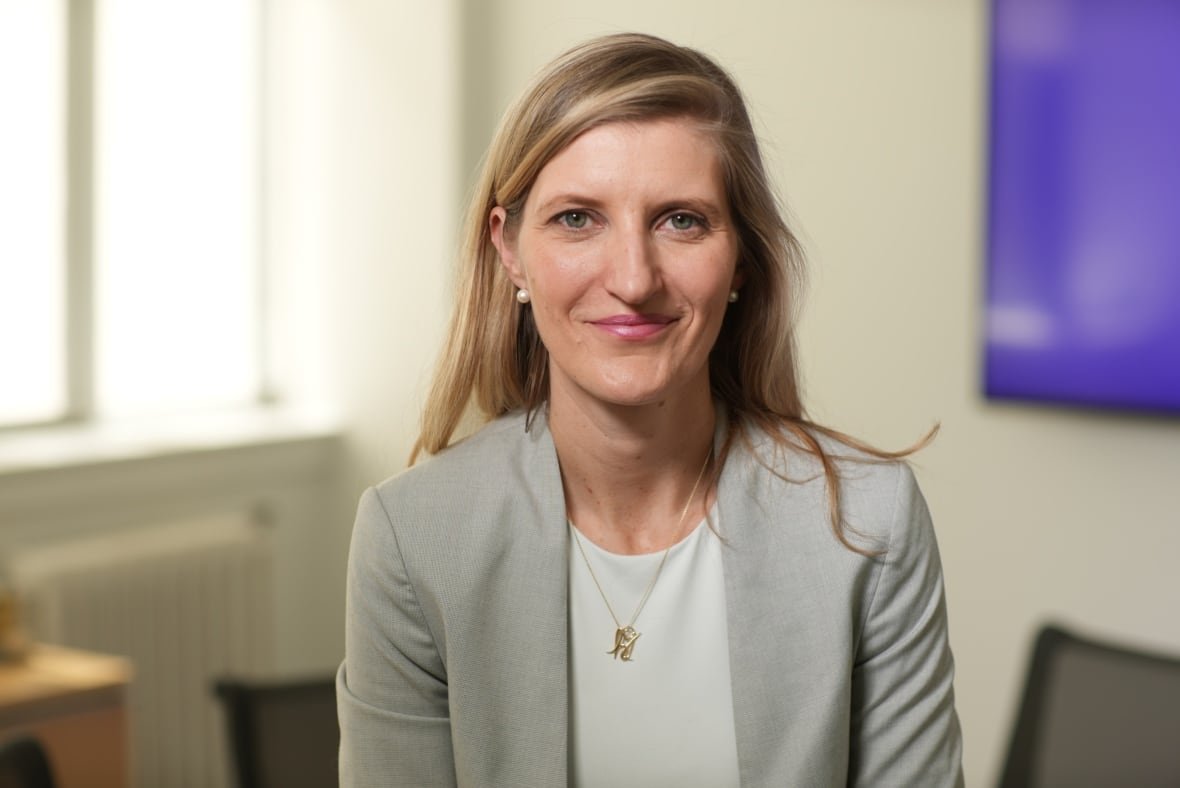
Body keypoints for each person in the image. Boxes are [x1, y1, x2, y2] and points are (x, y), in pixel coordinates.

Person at [337, 32, 964, 787]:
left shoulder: (869, 524)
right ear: (509, 252)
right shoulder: (413, 539)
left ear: (740, 259)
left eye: (681, 220)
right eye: (577, 219)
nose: (633, 279)